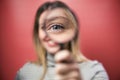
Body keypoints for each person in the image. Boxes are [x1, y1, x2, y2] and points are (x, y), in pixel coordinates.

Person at [15, 1, 109, 80]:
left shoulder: (94, 70)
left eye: (56, 27)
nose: (49, 35)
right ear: (38, 34)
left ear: (73, 32)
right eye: (43, 27)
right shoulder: (25, 73)